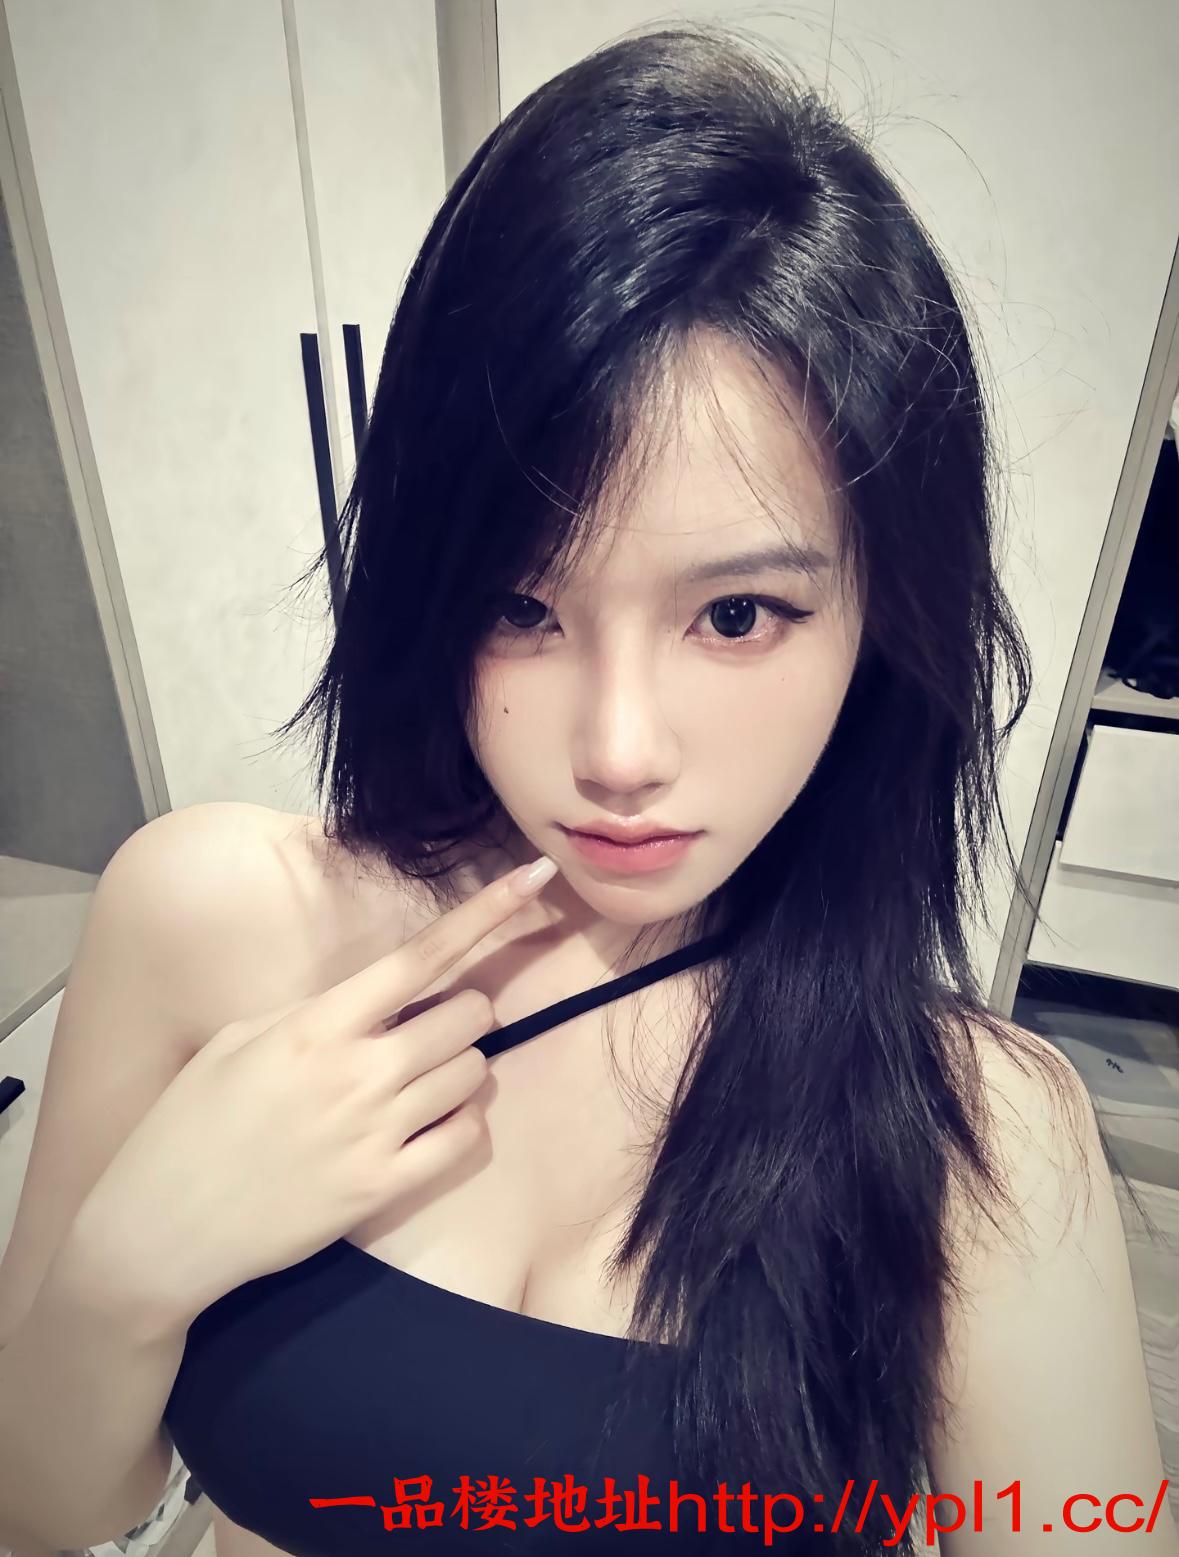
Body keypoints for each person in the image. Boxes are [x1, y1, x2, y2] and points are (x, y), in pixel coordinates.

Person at [1, 20, 1175, 1557]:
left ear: (882, 619)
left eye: (736, 614)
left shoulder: (983, 1144)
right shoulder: (205, 919)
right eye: (522, 603)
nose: (618, 749)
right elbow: (43, 1507)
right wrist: (129, 1267)